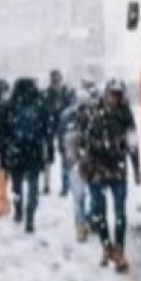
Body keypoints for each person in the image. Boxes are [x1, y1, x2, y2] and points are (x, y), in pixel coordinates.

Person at [85, 79, 140, 272]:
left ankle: (119, 250)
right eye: (112, 94)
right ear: (106, 93)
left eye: (118, 95)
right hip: (97, 168)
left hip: (117, 168)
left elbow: (133, 143)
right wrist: (99, 148)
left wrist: (136, 168)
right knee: (99, 212)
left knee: (120, 213)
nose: (115, 98)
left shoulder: (125, 114)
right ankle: (106, 246)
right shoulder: (94, 112)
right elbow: (85, 140)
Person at [2, 77, 48, 233]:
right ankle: (30, 216)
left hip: (16, 151)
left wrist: (5, 152)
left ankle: (18, 211)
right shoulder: (39, 105)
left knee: (17, 185)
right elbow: (46, 131)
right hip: (34, 151)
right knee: (33, 186)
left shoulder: (10, 105)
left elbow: (3, 131)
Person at [59, 84, 97, 242]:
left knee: (84, 196)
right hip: (79, 161)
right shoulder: (73, 117)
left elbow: (60, 139)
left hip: (81, 162)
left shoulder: (92, 117)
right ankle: (82, 225)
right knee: (82, 196)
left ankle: (83, 224)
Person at [43, 70, 74, 195]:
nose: (56, 82)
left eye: (57, 79)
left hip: (60, 128)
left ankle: (64, 186)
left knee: (64, 158)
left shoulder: (64, 93)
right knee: (49, 159)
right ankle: (48, 185)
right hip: (52, 129)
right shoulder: (50, 94)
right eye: (54, 80)